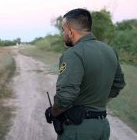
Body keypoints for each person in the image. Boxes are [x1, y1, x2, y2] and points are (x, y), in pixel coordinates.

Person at [45, 8, 125, 140]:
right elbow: (118, 85)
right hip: (102, 127)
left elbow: (65, 97)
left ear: (71, 32)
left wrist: (52, 113)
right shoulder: (110, 51)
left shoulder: (73, 54)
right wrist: (96, 103)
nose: (63, 34)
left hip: (78, 129)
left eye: (63, 30)